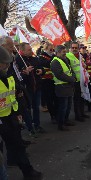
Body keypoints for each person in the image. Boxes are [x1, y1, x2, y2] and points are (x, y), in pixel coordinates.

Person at [0, 46, 42, 178]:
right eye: (4, 63)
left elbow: (16, 93)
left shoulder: (9, 75)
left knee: (18, 145)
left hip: (10, 117)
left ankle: (28, 171)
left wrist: (19, 111)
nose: (7, 66)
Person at [15, 42, 45, 134]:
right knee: (27, 108)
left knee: (36, 107)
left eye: (31, 49)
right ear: (22, 51)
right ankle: (30, 127)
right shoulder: (17, 60)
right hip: (26, 88)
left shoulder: (34, 58)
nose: (31, 51)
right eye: (29, 50)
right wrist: (24, 73)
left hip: (37, 87)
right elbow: (17, 76)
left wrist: (41, 71)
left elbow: (41, 68)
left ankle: (37, 125)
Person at [51, 45, 76, 130]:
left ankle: (66, 120)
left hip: (68, 86)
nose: (65, 53)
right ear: (58, 52)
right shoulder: (55, 62)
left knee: (68, 106)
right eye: (63, 52)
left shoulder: (65, 59)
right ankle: (61, 124)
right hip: (61, 87)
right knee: (63, 107)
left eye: (65, 51)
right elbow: (59, 75)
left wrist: (73, 77)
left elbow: (70, 70)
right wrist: (71, 79)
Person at [66, 42, 90, 122]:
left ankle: (82, 113)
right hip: (75, 81)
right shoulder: (68, 56)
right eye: (73, 48)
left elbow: (83, 66)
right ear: (70, 48)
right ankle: (77, 115)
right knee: (76, 99)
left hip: (82, 80)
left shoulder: (80, 56)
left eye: (76, 48)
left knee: (82, 97)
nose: (74, 49)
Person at [39, 42, 57, 124]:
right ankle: (52, 115)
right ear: (46, 48)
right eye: (50, 48)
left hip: (54, 80)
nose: (52, 50)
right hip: (46, 81)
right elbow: (47, 64)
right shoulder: (42, 56)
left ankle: (57, 114)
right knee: (49, 99)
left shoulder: (53, 56)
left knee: (55, 98)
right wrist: (53, 56)